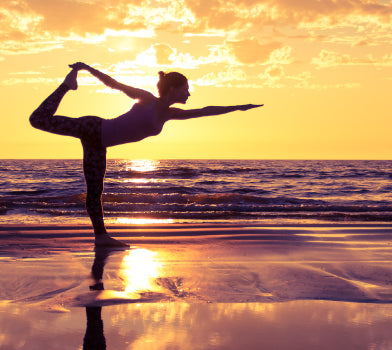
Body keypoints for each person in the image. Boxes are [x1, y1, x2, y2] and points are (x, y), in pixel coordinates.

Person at [29, 62, 262, 246]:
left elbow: (204, 111)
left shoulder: (170, 114)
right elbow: (115, 84)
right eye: (186, 89)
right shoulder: (146, 99)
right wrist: (86, 69)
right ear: (173, 89)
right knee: (37, 120)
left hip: (98, 145)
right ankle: (66, 86)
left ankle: (101, 237)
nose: (189, 94)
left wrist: (239, 107)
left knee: (95, 191)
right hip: (93, 128)